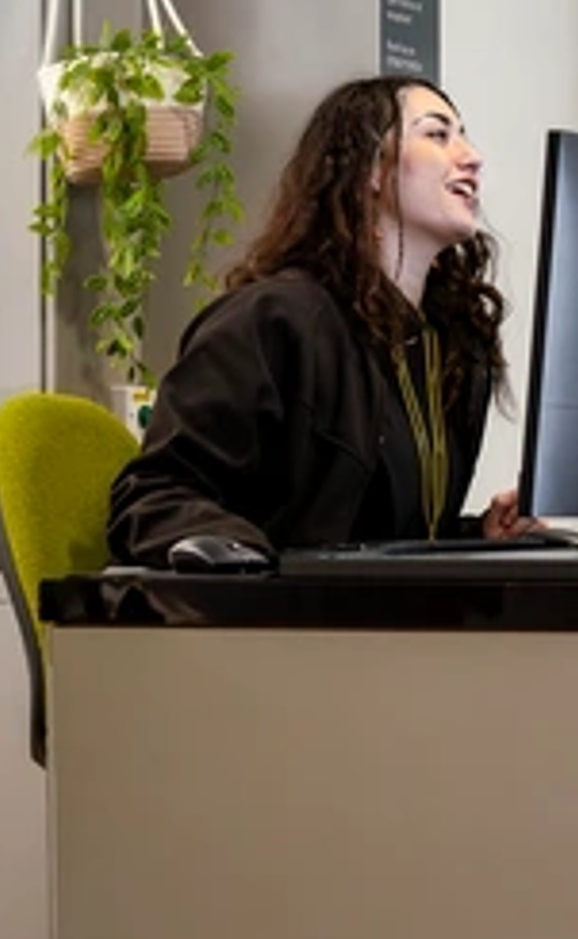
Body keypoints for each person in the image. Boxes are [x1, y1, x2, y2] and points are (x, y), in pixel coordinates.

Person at [106, 75, 521, 569]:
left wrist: (481, 535)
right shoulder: (272, 322)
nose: (471, 156)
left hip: (381, 626)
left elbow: (376, 535)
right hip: (282, 629)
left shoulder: (449, 347)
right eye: (437, 134)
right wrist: (259, 571)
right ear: (369, 168)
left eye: (464, 135)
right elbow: (154, 497)